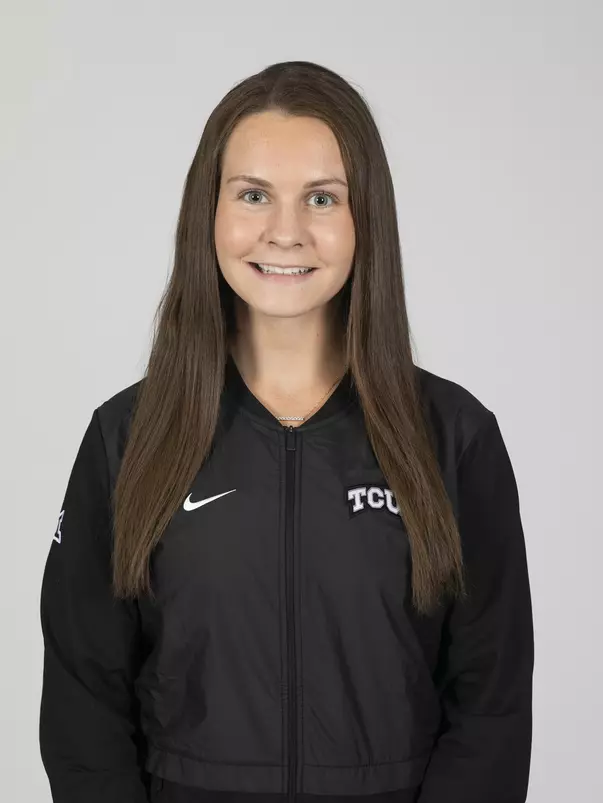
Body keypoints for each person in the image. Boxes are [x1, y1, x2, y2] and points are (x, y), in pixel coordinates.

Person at [39, 61, 534, 803]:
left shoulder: (454, 437)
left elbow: (490, 704)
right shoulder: (126, 437)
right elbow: (84, 700)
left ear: (365, 215)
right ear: (208, 211)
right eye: (253, 194)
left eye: (322, 198)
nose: (286, 231)